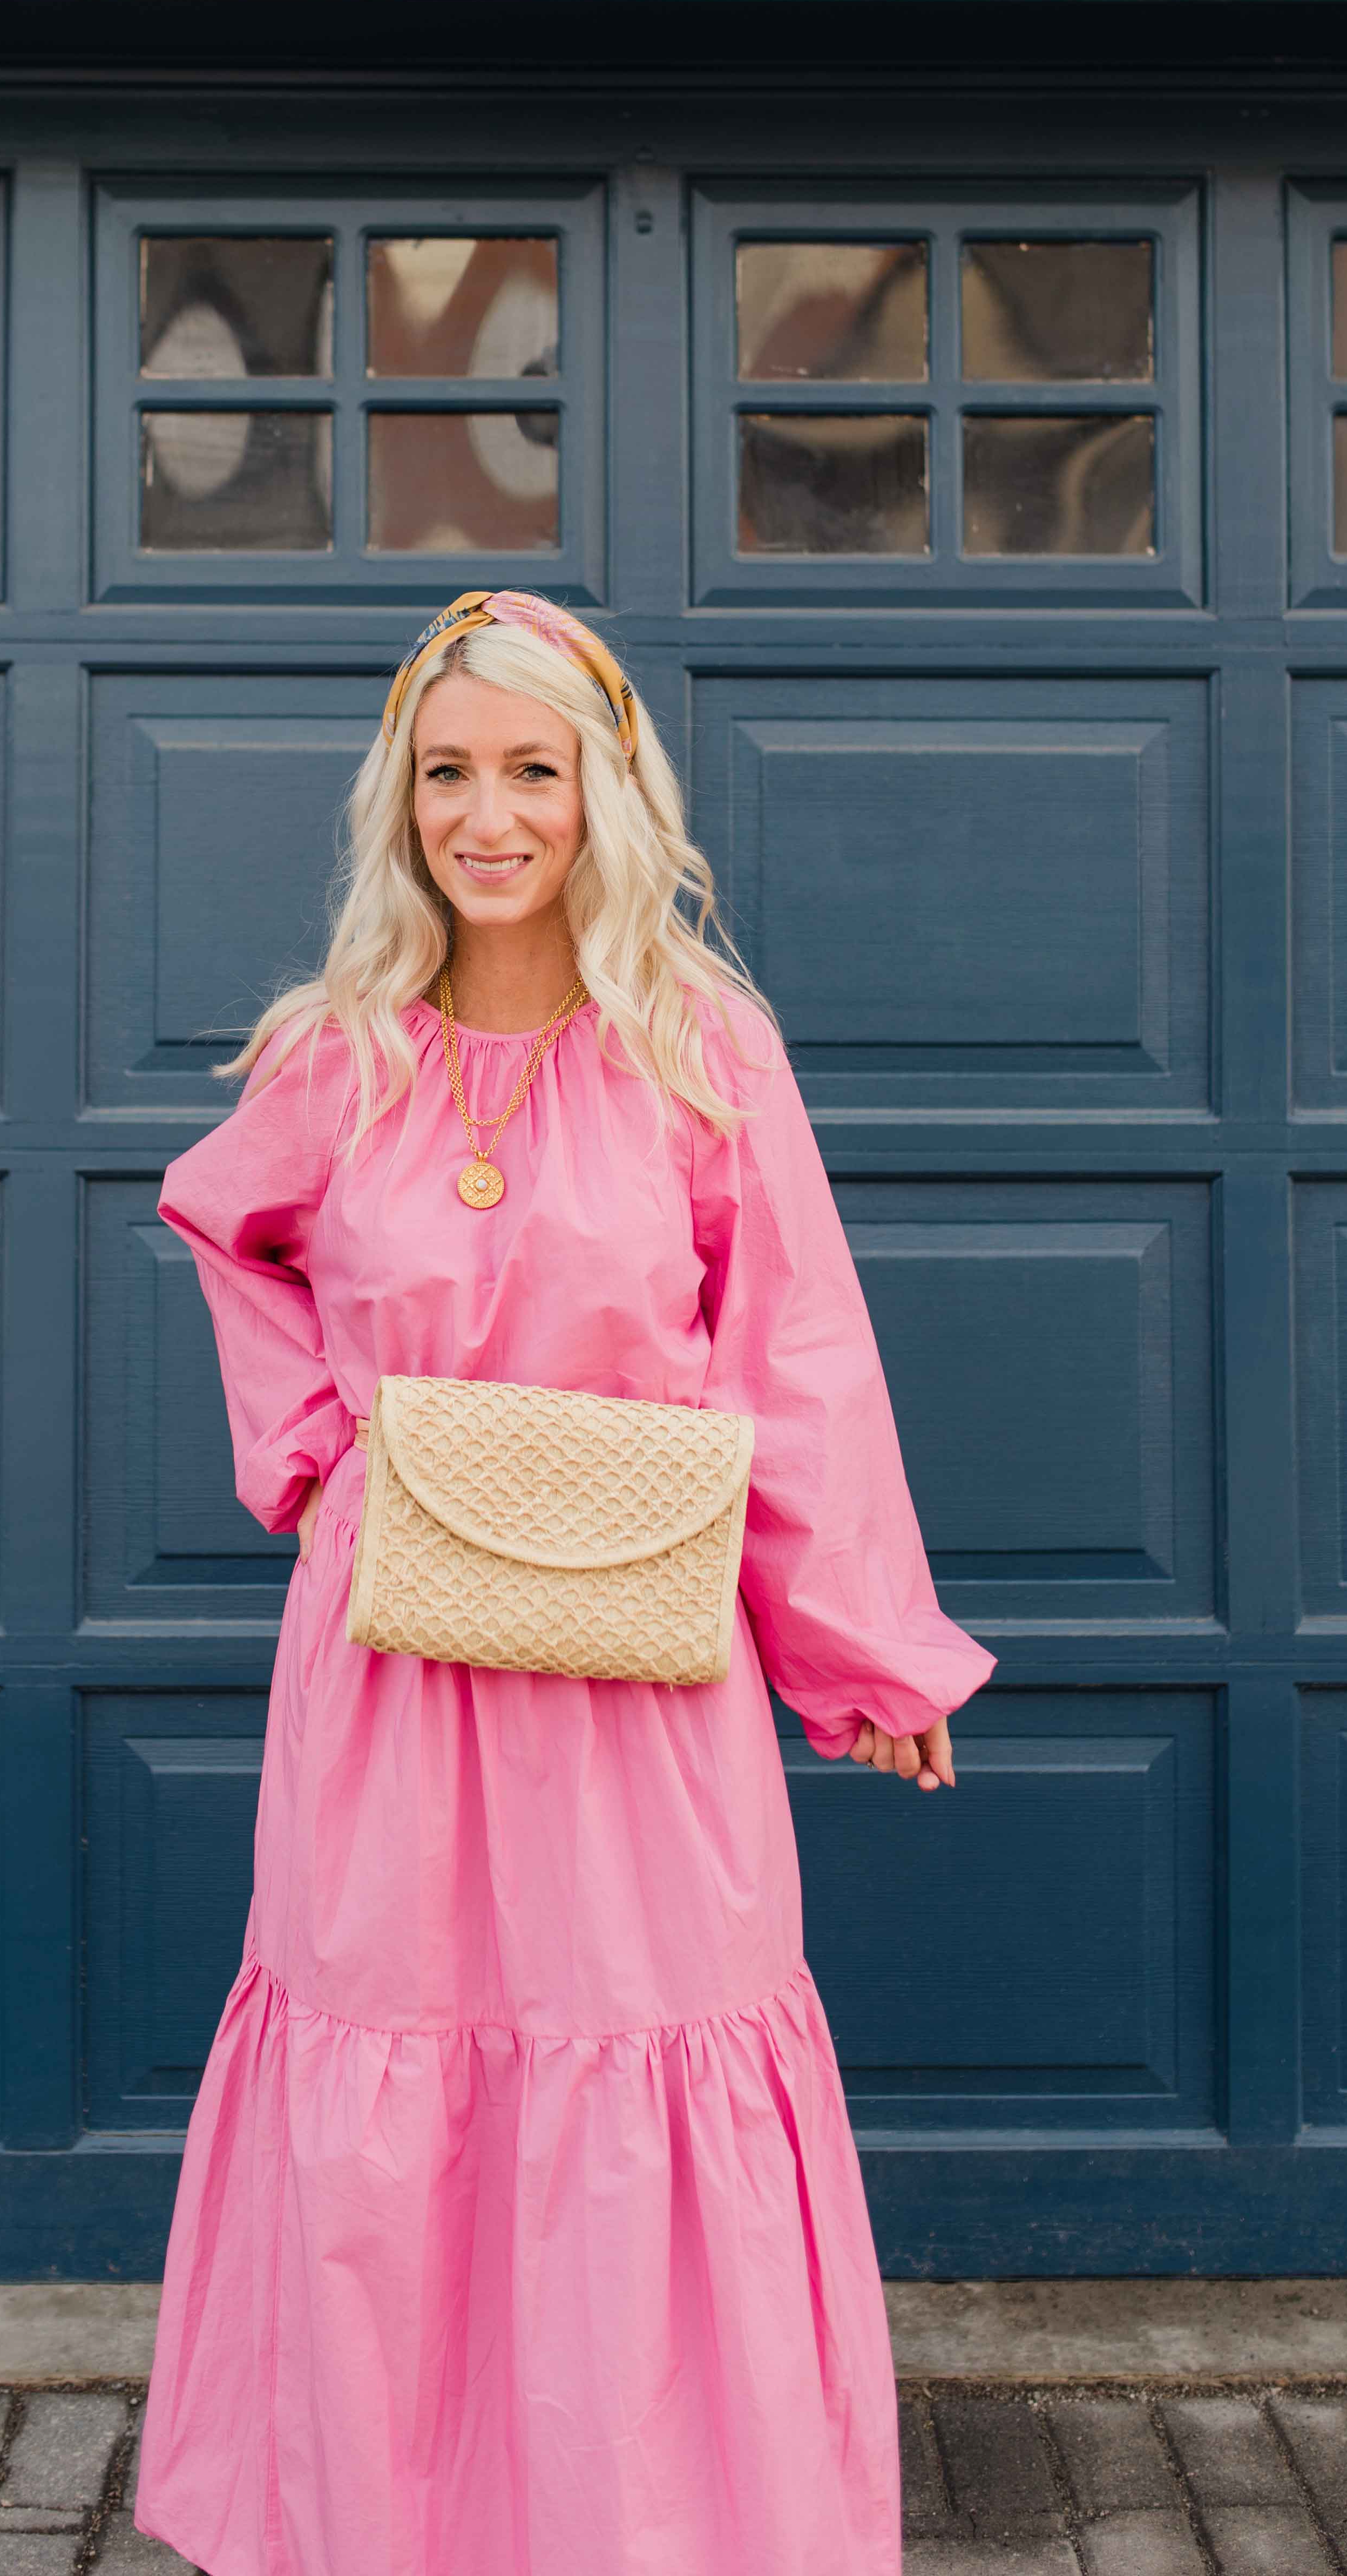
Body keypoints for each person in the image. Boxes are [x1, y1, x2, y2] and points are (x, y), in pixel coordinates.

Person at [133, 587, 996, 2576]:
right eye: (449, 771)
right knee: (394, 2066)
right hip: (396, 1681)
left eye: (533, 768)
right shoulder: (336, 1059)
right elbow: (220, 1229)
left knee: (640, 2045)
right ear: (402, 798)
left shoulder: (700, 1055)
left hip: (642, 1672)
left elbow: (798, 1352)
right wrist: (326, 1454)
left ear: (606, 790)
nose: (489, 814)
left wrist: (863, 1661)